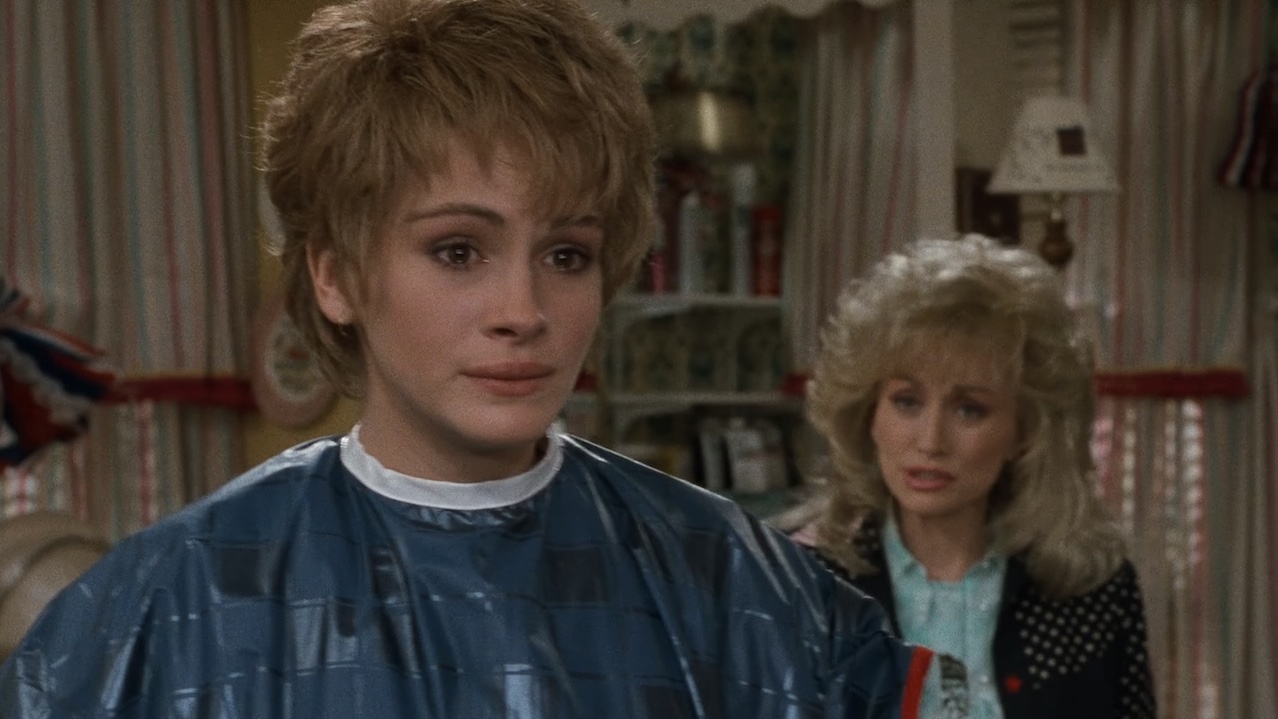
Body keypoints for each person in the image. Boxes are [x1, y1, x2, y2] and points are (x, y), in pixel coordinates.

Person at [0, 1, 968, 716]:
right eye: (458, 250)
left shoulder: (744, 588)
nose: (523, 311)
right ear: (335, 275)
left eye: (567, 255)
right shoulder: (166, 606)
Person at [790, 234, 1156, 718]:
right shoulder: (796, 583)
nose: (931, 441)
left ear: (1025, 431)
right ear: (869, 414)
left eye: (969, 409)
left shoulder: (1091, 591)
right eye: (907, 402)